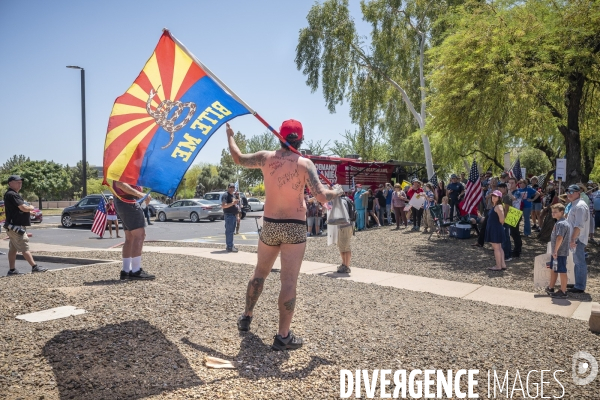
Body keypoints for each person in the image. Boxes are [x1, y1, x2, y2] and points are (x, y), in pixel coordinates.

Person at [227, 120, 342, 351]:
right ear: (300, 139)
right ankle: (283, 335)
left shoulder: (265, 157)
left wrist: (230, 135)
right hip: (294, 225)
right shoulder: (304, 163)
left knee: (260, 272)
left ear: (279, 137)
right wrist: (336, 192)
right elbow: (321, 196)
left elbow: (237, 158)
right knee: (288, 281)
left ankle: (247, 315)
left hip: (270, 223)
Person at [3, 175, 48, 275]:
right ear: (10, 183)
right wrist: (31, 208)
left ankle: (12, 270)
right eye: (17, 182)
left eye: (20, 182)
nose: (20, 183)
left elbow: (17, 210)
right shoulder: (12, 194)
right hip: (16, 227)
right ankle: (34, 267)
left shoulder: (10, 194)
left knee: (13, 249)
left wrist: (28, 212)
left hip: (12, 226)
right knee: (24, 246)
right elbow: (23, 207)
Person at [113, 181, 155, 280]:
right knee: (139, 235)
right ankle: (136, 270)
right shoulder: (124, 167)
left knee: (130, 237)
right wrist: (139, 194)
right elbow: (120, 184)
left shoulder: (124, 167)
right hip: (128, 202)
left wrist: (140, 195)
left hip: (123, 201)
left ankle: (126, 270)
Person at [565, 184, 589, 294]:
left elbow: (578, 225)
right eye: (567, 191)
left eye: (571, 191)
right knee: (576, 261)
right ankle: (577, 283)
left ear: (578, 193)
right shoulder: (574, 204)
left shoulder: (580, 206)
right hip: (575, 238)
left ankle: (580, 286)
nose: (568, 194)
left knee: (579, 262)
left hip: (578, 238)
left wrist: (573, 239)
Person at [545, 204, 571, 298]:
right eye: (552, 212)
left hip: (560, 252)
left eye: (555, 212)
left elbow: (559, 238)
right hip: (557, 252)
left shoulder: (561, 224)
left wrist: (555, 251)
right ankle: (551, 287)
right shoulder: (559, 222)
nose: (553, 213)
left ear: (562, 212)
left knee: (562, 271)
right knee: (554, 269)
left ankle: (563, 291)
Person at [485, 191, 506, 271]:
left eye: (496, 196)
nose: (493, 197)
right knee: (499, 247)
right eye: (493, 196)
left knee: (496, 248)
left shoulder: (498, 207)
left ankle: (498, 266)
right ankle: (502, 264)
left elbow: (502, 220)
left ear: (499, 198)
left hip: (495, 229)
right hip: (494, 228)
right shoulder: (495, 206)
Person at [336, 194, 354, 274]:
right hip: (344, 226)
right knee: (342, 246)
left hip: (345, 226)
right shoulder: (344, 200)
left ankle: (346, 266)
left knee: (345, 247)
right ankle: (344, 264)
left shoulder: (341, 201)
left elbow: (342, 213)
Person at [507, 178, 523, 257]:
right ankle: (517, 246)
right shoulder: (510, 192)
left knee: (514, 232)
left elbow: (513, 198)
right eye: (509, 183)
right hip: (510, 212)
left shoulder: (517, 192)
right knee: (512, 232)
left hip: (515, 212)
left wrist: (509, 190)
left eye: (512, 183)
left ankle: (517, 250)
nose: (510, 184)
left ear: (516, 183)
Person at [221, 183, 239, 252]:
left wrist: (237, 216)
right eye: (230, 187)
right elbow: (224, 205)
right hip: (229, 215)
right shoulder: (225, 195)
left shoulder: (233, 195)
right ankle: (230, 246)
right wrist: (232, 203)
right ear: (228, 188)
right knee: (229, 231)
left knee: (231, 231)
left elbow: (235, 206)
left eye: (233, 187)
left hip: (233, 215)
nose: (232, 188)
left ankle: (230, 245)